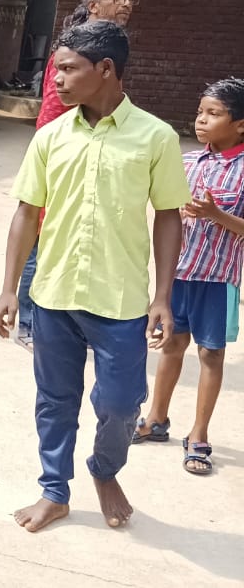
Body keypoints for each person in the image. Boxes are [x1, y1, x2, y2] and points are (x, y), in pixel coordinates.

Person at [0, 21, 188, 532]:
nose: (55, 78)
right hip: (53, 295)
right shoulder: (51, 136)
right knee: (55, 401)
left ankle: (104, 468)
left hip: (120, 301)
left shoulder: (155, 136)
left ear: (105, 69)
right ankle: (54, 490)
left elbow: (169, 215)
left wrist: (162, 296)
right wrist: (10, 288)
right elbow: (26, 212)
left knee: (121, 404)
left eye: (67, 68)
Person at [17, 0, 138, 349]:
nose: (126, 4)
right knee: (44, 235)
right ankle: (29, 321)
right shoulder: (75, 48)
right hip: (67, 153)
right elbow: (53, 109)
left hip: (98, 150)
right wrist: (59, 156)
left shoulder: (112, 45)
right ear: (93, 4)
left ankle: (75, 323)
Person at [132, 78, 244, 476]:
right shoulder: (187, 163)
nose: (201, 120)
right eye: (200, 112)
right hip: (178, 274)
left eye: (214, 114)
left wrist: (216, 215)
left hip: (218, 280)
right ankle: (156, 418)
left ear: (240, 124)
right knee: (172, 345)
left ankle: (199, 433)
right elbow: (166, 213)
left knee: (211, 354)